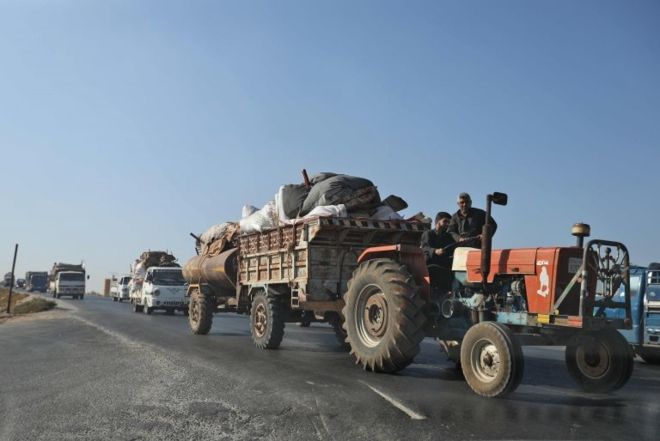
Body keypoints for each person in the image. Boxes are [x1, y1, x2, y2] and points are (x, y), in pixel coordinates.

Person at [421, 212, 455, 294]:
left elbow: (452, 248)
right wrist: (435, 251)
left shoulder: (448, 236)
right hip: (430, 263)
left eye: (449, 222)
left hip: (444, 263)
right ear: (438, 221)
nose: (447, 224)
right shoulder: (428, 234)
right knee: (434, 270)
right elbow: (425, 248)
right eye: (445, 221)